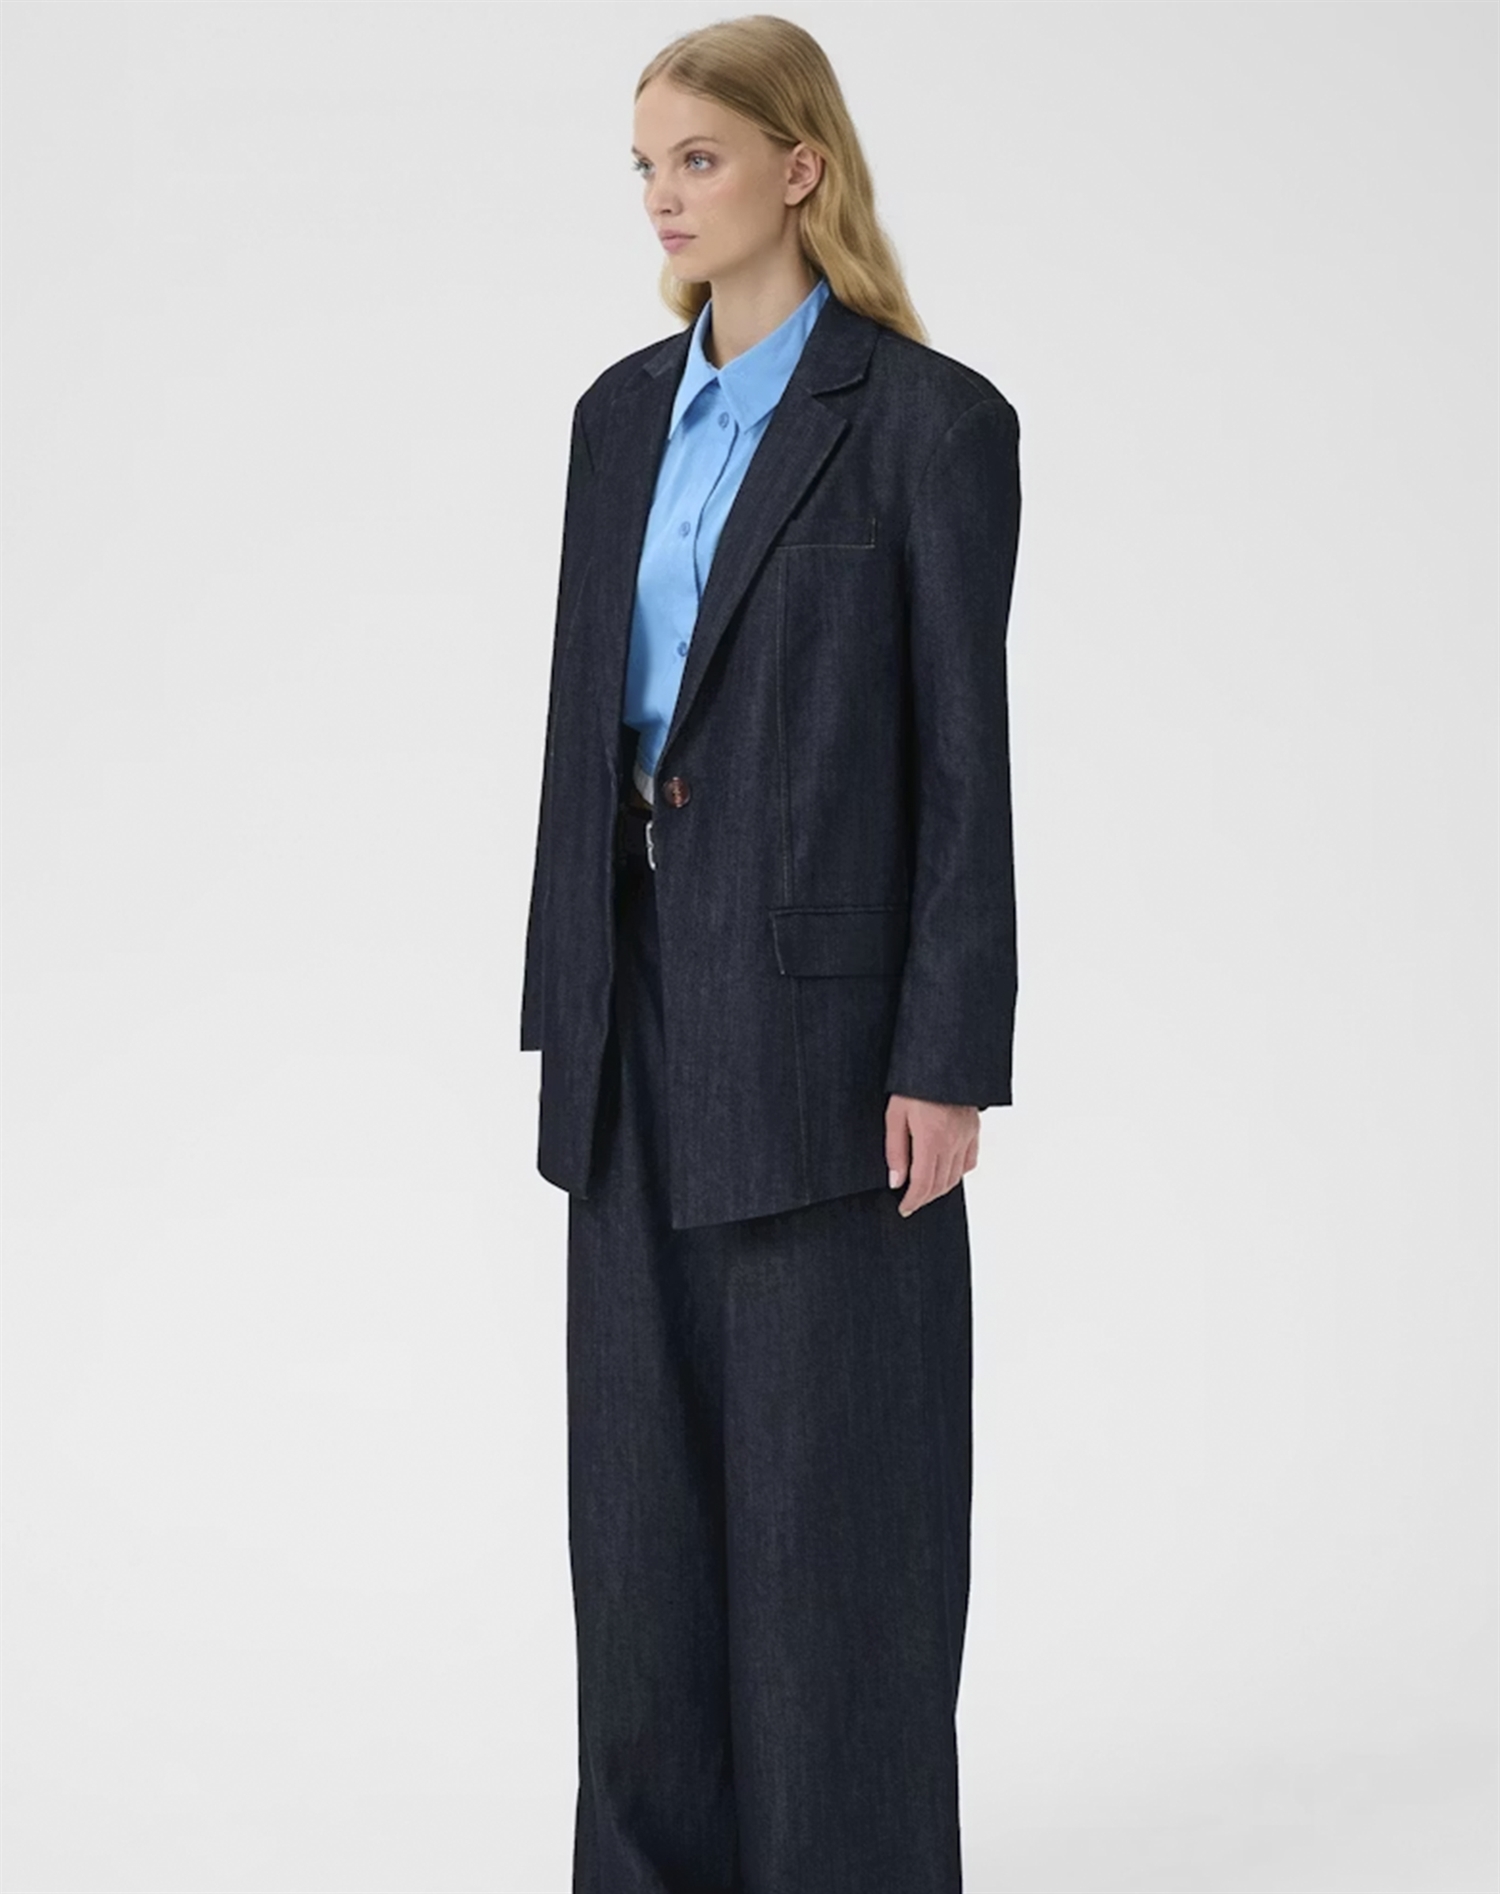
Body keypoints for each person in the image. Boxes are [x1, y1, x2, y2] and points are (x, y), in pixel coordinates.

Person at [520, 16, 1023, 1889]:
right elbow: (589, 732)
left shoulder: (928, 426)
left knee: (838, 1527)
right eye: (646, 165)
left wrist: (948, 1051)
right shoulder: (613, 421)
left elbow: (963, 759)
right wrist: (564, 1005)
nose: (663, 197)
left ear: (799, 167)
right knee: (639, 1529)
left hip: (831, 1045)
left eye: (700, 158)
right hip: (631, 1017)